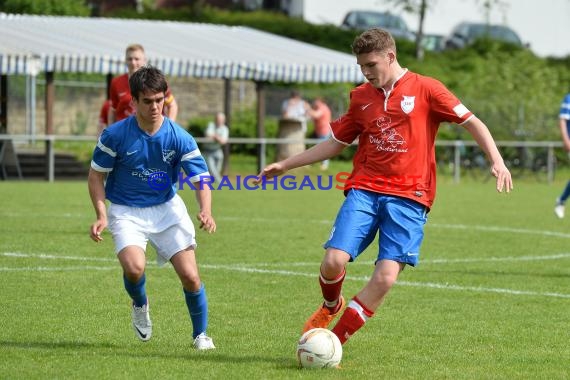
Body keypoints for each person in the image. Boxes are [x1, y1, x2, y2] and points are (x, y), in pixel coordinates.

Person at [255, 28, 513, 346]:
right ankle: (331, 305)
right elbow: (335, 143)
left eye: (371, 65)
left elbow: (473, 122)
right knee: (333, 260)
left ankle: (332, 343)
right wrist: (286, 164)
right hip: (365, 189)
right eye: (361, 66)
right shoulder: (361, 96)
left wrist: (497, 161)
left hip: (410, 196)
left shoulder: (427, 89)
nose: (366, 72)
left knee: (386, 277)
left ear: (390, 57)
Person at [88, 65, 216, 350]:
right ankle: (139, 303)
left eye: (160, 100)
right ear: (133, 102)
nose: (155, 106)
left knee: (191, 277)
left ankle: (201, 335)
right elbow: (96, 175)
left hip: (167, 208)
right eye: (148, 101)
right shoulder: (115, 135)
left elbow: (201, 179)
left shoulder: (179, 137)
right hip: (126, 209)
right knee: (134, 268)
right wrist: (101, 214)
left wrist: (205, 209)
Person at [108, 44, 178, 124]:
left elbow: (172, 105)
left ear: (144, 60)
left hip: (151, 131)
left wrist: (169, 126)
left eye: (137, 59)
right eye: (130, 59)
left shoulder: (157, 81)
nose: (133, 62)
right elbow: (113, 109)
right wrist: (111, 130)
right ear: (125, 61)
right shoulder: (116, 82)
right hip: (125, 132)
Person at [554, 92, 570, 218]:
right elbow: (563, 120)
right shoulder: (568, 98)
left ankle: (561, 200)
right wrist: (566, 140)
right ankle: (561, 201)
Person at [201, 112, 229, 183]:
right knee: (212, 170)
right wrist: (218, 137)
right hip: (208, 151)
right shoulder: (211, 125)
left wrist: (215, 137)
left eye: (221, 119)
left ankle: (212, 183)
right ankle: (220, 183)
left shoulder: (225, 129)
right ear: (215, 119)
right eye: (218, 119)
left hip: (217, 151)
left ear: (224, 120)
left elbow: (223, 141)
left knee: (216, 170)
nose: (219, 121)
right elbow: (208, 134)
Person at [307, 97, 332, 170]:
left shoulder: (323, 108)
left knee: (323, 149)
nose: (314, 103)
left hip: (324, 131)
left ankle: (324, 165)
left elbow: (316, 115)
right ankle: (312, 163)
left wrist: (308, 108)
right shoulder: (320, 108)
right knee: (316, 147)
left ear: (320, 101)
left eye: (316, 101)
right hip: (319, 131)